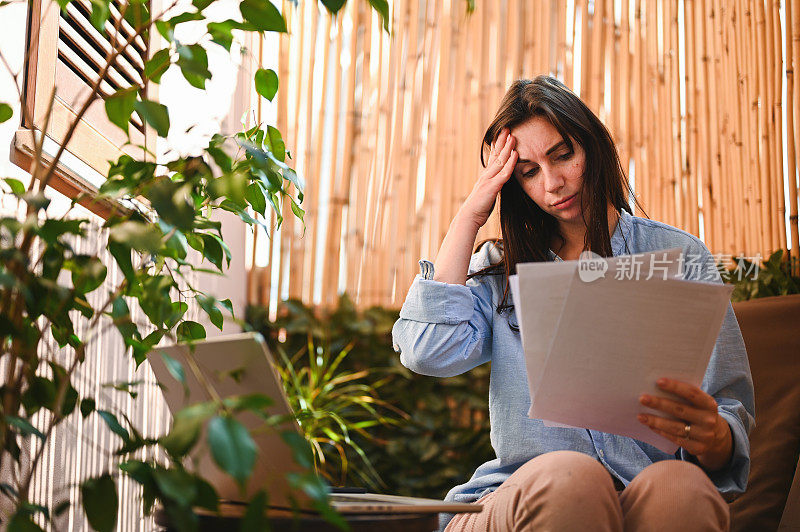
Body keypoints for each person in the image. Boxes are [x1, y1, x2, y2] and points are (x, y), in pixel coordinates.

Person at [391, 76, 754, 532]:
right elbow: (427, 350)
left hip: (638, 496)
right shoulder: (500, 270)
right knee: (573, 479)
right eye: (528, 171)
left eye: (563, 155)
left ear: (593, 146)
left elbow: (728, 412)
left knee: (682, 489)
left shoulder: (681, 257)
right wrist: (471, 213)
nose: (553, 183)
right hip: (518, 498)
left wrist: (716, 437)